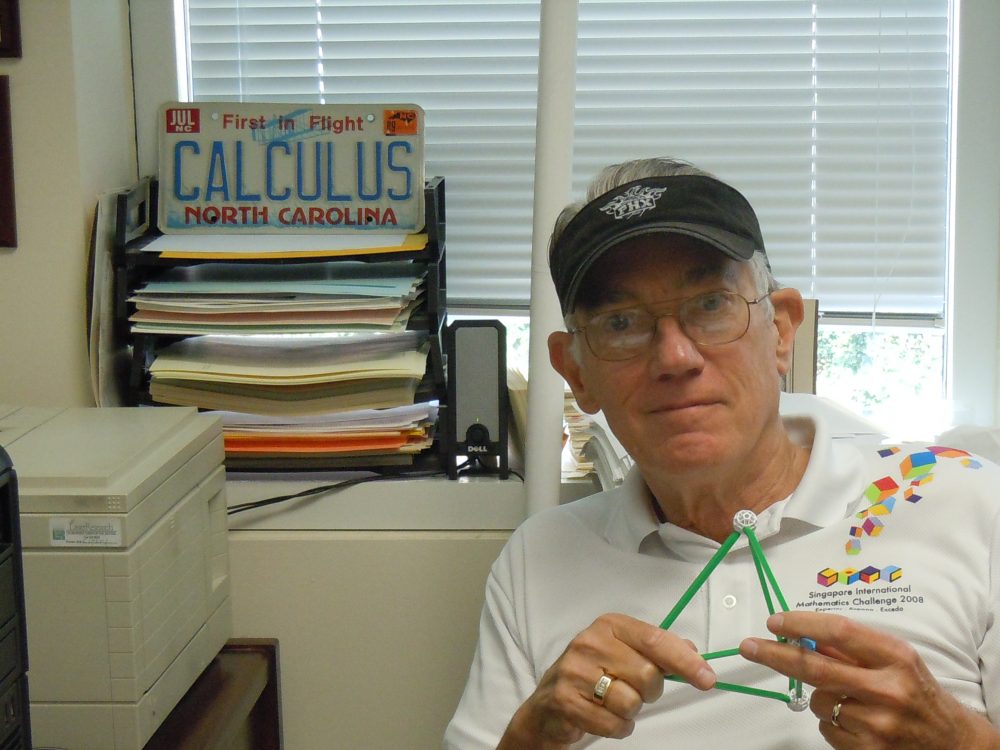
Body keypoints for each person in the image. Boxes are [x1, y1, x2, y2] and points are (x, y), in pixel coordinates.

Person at [443, 157, 1000, 749]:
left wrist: (959, 740)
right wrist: (531, 738)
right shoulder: (538, 559)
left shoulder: (968, 501)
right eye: (621, 322)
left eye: (711, 305)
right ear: (575, 372)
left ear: (782, 331)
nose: (675, 357)